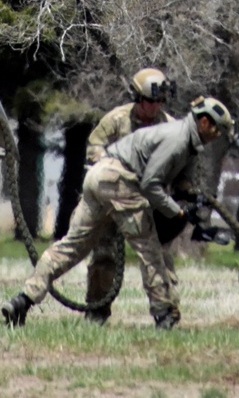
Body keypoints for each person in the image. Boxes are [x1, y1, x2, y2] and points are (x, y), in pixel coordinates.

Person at [3, 95, 235, 331]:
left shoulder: (178, 135)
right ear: (204, 122)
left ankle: (23, 300)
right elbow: (151, 184)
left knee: (71, 247)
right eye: (217, 130)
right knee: (150, 250)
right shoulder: (178, 139)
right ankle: (164, 314)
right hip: (120, 181)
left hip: (98, 177)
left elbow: (171, 178)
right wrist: (178, 214)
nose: (215, 137)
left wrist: (189, 197)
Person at [83, 68, 175, 324]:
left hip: (149, 202)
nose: (155, 106)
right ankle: (97, 312)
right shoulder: (116, 120)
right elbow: (95, 145)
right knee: (104, 256)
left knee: (158, 258)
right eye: (150, 101)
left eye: (159, 101)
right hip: (114, 198)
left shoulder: (168, 126)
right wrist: (109, 167)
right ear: (137, 97)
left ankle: (167, 312)